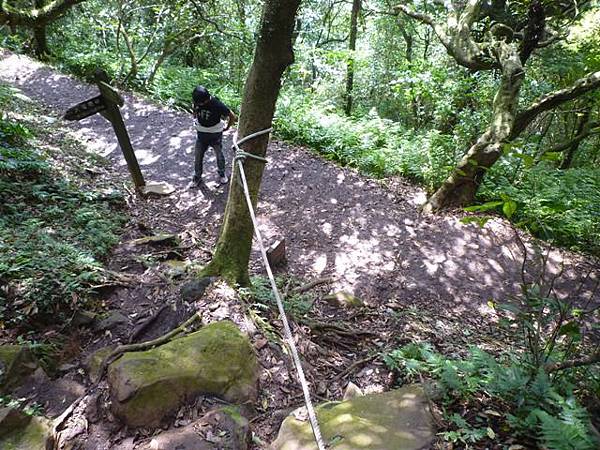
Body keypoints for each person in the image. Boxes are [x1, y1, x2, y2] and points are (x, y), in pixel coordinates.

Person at [191, 85, 237, 185]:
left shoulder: (217, 104)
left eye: (201, 102)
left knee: (219, 155)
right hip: (201, 134)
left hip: (215, 135)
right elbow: (194, 109)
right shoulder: (197, 101)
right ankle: (197, 177)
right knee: (198, 156)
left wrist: (228, 127)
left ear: (206, 99)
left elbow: (232, 115)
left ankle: (221, 173)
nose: (199, 104)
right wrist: (195, 118)